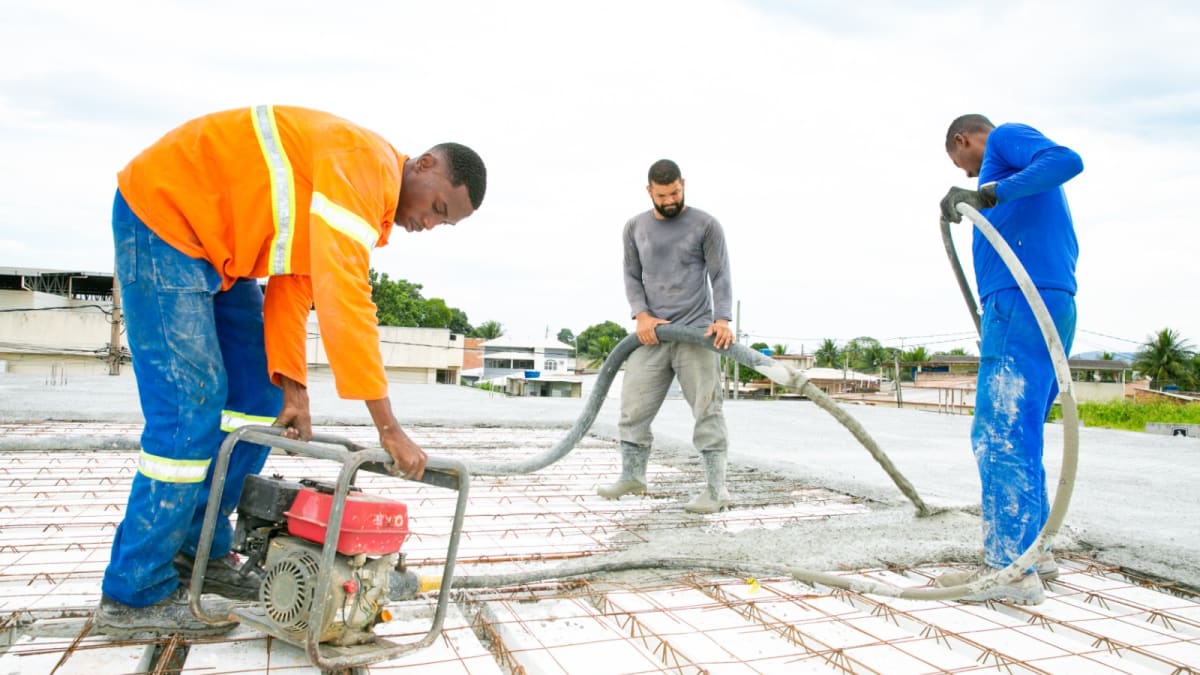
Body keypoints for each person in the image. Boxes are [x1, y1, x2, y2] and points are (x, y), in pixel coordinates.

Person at [94, 105, 486, 636]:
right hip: (166, 221)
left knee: (260, 399)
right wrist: (387, 428)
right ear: (424, 164)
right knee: (190, 413)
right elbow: (346, 302)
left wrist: (294, 393)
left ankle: (199, 554)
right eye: (438, 207)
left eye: (445, 222)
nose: (430, 223)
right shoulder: (364, 169)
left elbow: (295, 286)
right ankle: (133, 594)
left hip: (223, 251)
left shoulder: (353, 196)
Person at [937, 114, 1083, 604]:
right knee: (1023, 432)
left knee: (997, 434)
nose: (966, 176)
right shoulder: (1011, 176)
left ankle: (1008, 570)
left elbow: (1067, 160)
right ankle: (1034, 554)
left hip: (1021, 300)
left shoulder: (1003, 141)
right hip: (1043, 301)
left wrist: (990, 193)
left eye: (960, 163)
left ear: (963, 140)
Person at [597, 159, 735, 514]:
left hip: (697, 332)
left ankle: (717, 491)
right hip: (652, 334)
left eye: (675, 192)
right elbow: (631, 275)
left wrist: (722, 319)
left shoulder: (706, 225)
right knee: (632, 408)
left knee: (708, 410)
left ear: (683, 184)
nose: (670, 199)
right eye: (663, 195)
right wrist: (641, 315)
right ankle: (632, 476)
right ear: (649, 192)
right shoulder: (635, 227)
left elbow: (720, 275)